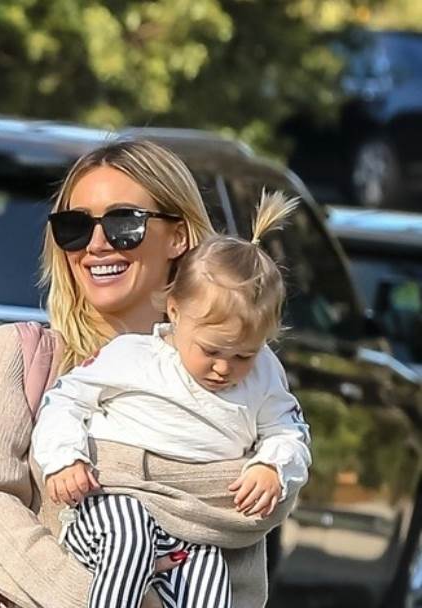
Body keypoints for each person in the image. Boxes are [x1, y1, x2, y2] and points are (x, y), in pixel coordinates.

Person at [0, 139, 297, 608]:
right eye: (74, 226)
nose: (96, 244)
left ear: (179, 235)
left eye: (124, 223)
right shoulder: (18, 357)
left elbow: (249, 531)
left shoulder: (237, 374)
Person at [32, 191, 312, 608]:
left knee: (210, 581)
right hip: (109, 505)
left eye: (244, 355)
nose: (224, 367)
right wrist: (64, 459)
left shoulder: (265, 375)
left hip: (193, 526)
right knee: (128, 542)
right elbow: (64, 400)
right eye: (211, 350)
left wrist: (272, 465)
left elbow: (288, 431)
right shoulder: (133, 356)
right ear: (175, 312)